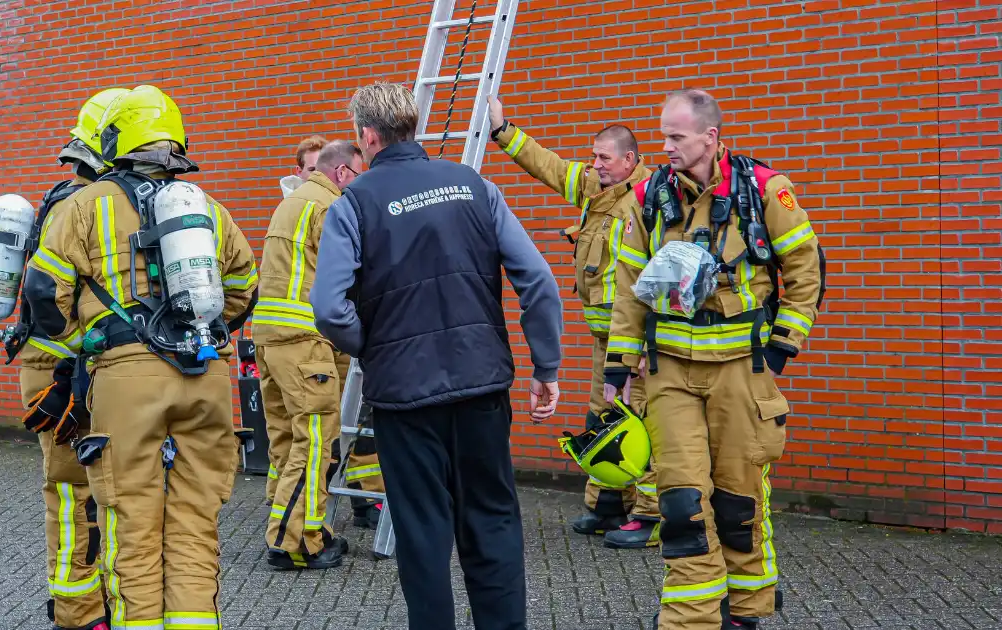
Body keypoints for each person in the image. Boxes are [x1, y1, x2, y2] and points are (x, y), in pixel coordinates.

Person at [310, 81, 564, 630]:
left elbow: (330, 310)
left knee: (422, 534)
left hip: (404, 400)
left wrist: (374, 348)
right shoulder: (474, 185)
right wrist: (546, 366)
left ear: (367, 136)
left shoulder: (354, 204)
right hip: (481, 388)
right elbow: (538, 280)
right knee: (492, 520)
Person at [25, 84, 260, 630]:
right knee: (195, 524)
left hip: (127, 384)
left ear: (115, 141)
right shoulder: (207, 208)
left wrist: (81, 341)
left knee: (132, 523)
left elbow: (43, 291)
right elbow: (246, 285)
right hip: (206, 378)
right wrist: (208, 326)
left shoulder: (85, 204)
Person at [603, 89, 824, 630]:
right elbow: (630, 287)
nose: (667, 147)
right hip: (670, 372)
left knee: (738, 499)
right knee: (681, 502)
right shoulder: (650, 196)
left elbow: (805, 271)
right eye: (663, 137)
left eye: (676, 137)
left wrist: (780, 349)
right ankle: (690, 620)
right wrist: (618, 366)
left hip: (741, 372)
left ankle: (746, 612)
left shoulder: (765, 190)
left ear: (711, 136)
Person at [487, 94, 661, 549]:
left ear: (630, 160)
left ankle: (651, 514)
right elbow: (548, 165)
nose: (595, 165)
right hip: (604, 337)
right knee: (603, 416)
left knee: (642, 421)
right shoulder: (595, 189)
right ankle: (607, 504)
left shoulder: (649, 200)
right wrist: (503, 130)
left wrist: (641, 344)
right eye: (593, 157)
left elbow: (652, 280)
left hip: (637, 340)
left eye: (604, 158)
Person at [13, 87, 128, 630]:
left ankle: (91, 599)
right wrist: (74, 367)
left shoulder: (87, 199)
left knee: (96, 485)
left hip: (75, 367)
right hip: (61, 369)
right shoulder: (77, 204)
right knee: (72, 489)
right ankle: (78, 613)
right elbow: (51, 300)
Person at [253, 139, 374, 569]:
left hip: (271, 340)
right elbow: (353, 273)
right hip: (305, 343)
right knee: (316, 442)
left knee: (286, 441)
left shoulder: (295, 201)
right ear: (342, 173)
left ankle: (306, 526)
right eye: (361, 176)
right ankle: (292, 545)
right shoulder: (330, 206)